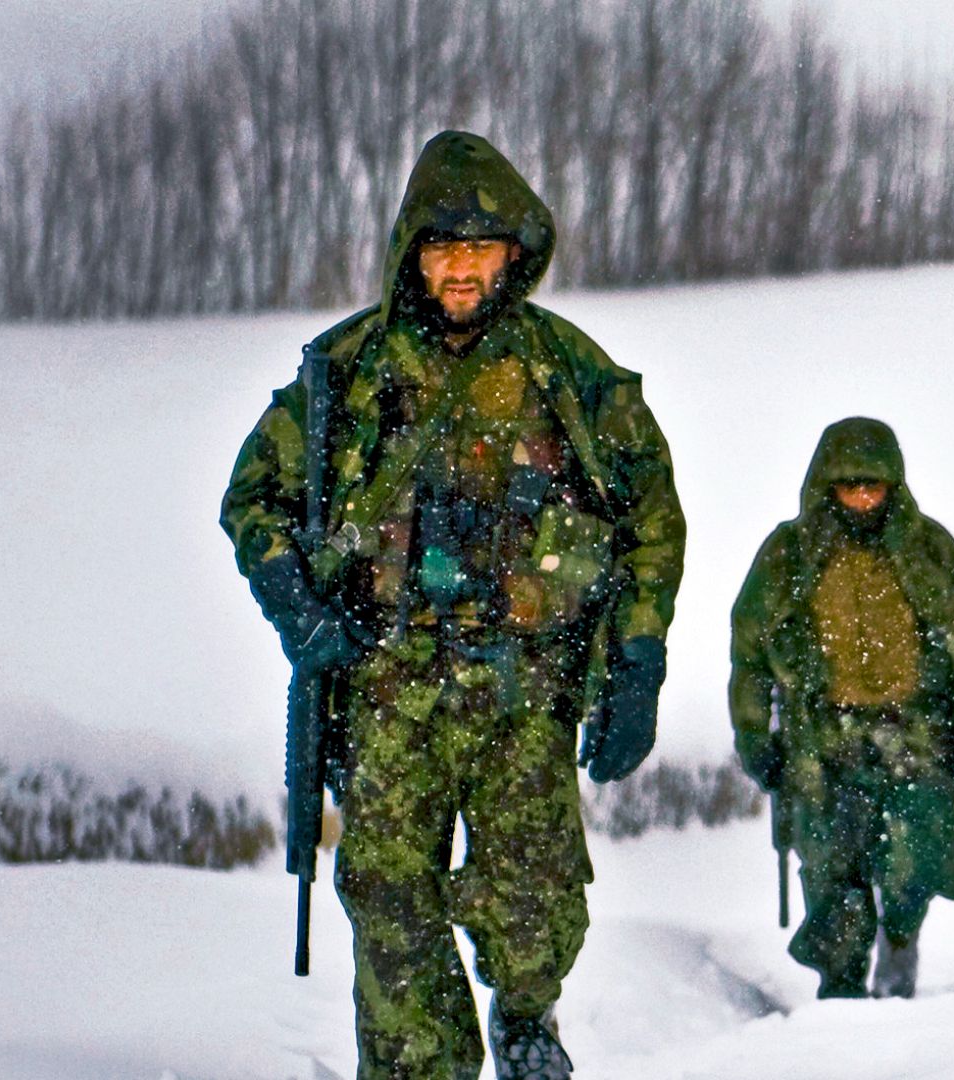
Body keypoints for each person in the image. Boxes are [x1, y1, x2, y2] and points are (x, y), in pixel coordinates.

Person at [223, 130, 686, 1080]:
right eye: (444, 247)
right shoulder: (344, 372)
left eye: (481, 247)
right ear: (414, 253)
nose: (464, 268)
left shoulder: (571, 372)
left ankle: (525, 1019)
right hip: (389, 686)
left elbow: (652, 517)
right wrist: (301, 615)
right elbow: (251, 500)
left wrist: (639, 663)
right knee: (392, 906)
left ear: (515, 252)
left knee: (536, 895)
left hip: (526, 686)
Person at [729, 417, 954, 1000]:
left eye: (873, 484)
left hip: (917, 733)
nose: (861, 496)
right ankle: (842, 993)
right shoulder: (789, 555)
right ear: (826, 485)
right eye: (848, 484)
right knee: (834, 876)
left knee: (918, 858)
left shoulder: (929, 549)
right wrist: (755, 735)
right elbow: (749, 648)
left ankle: (901, 942)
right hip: (825, 740)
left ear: (893, 484)